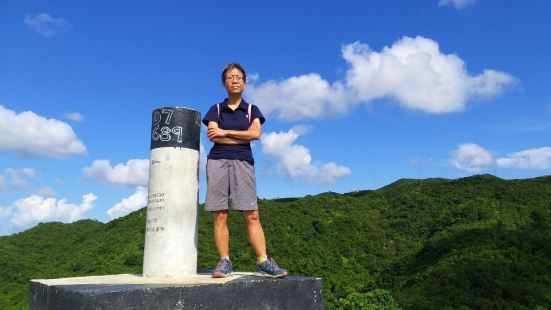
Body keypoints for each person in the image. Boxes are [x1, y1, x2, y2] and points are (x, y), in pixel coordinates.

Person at [202, 63, 288, 279]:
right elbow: (212, 135)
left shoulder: (252, 110)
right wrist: (238, 133)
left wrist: (225, 133)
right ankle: (224, 261)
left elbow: (256, 134)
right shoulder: (216, 109)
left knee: (252, 214)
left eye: (239, 77)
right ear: (224, 83)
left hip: (243, 161)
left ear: (245, 82)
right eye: (230, 77)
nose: (235, 80)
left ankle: (263, 261)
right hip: (217, 161)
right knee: (220, 214)